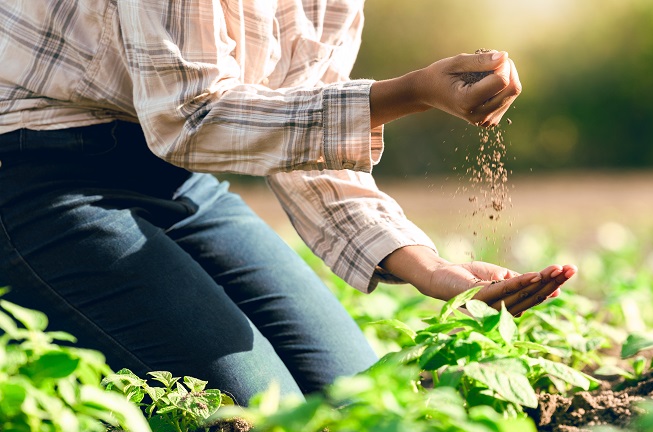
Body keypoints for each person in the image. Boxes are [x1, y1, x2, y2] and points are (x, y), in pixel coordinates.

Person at [0, 0, 576, 406]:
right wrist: (410, 94)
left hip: (177, 180)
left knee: (355, 398)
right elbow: (190, 117)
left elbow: (307, 137)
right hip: (36, 172)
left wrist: (430, 269)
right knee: (254, 418)